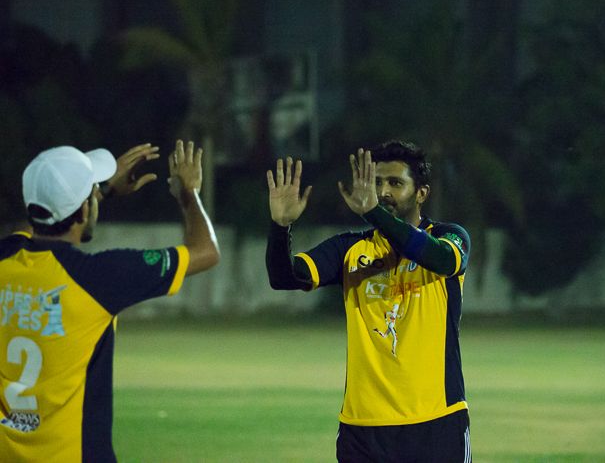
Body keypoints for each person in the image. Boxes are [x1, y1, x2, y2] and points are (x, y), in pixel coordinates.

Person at [0, 140, 219, 462]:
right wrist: (188, 193)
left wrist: (96, 194)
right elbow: (206, 251)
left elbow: (34, 230)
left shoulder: (6, 257)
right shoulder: (99, 277)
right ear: (84, 208)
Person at [266, 140, 472, 463]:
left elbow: (443, 260)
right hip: (363, 430)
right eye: (377, 183)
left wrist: (374, 213)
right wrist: (281, 228)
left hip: (436, 421)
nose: (383, 192)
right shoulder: (349, 250)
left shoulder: (448, 237)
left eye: (395, 183)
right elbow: (284, 277)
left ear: (421, 193)